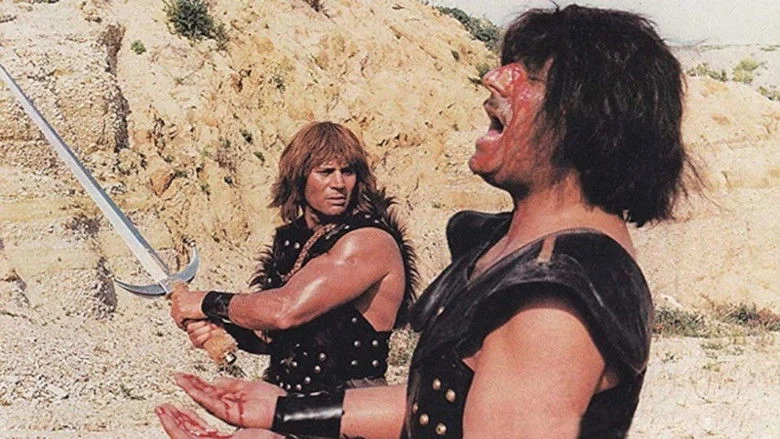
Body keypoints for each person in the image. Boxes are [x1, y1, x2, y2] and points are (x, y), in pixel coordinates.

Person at [157, 5, 696, 438]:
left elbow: (285, 310)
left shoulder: (552, 302)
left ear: (590, 122)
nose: (493, 78)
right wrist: (281, 413)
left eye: (529, 75)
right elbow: (438, 407)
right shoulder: (518, 251)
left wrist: (209, 304)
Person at [168, 121, 418, 394]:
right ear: (299, 177)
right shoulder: (294, 240)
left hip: (352, 402)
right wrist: (222, 329)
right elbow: (272, 337)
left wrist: (207, 303)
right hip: (288, 397)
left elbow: (284, 310)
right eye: (326, 172)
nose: (338, 184)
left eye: (347, 172)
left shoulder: (369, 241)